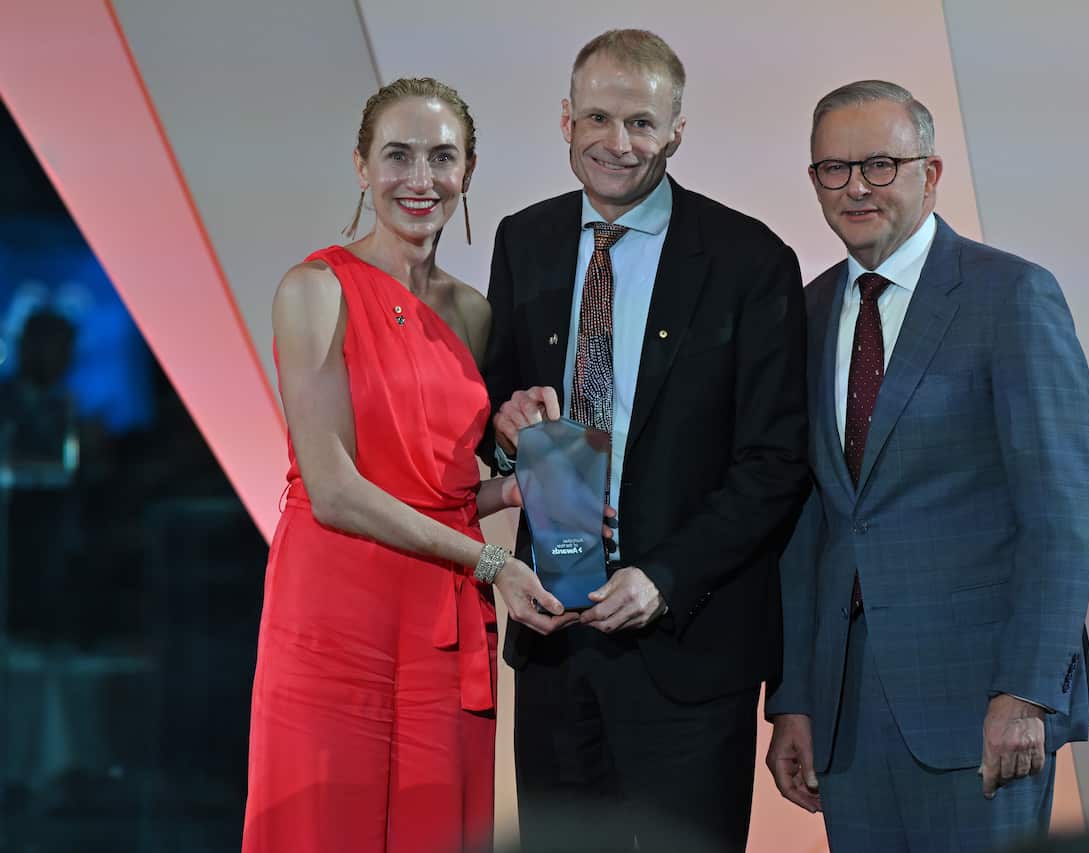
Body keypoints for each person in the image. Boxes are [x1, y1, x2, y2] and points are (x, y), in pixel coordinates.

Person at [482, 29, 809, 852]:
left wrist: (664, 577)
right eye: (597, 117)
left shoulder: (749, 259)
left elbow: (775, 463)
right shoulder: (524, 240)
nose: (616, 144)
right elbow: (496, 413)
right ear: (564, 120)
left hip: (689, 650)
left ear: (676, 132)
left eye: (640, 123)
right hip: (557, 642)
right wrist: (503, 425)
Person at [764, 80, 1089, 852]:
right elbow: (806, 523)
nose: (856, 186)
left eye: (880, 165)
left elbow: (1062, 513)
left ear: (933, 172)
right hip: (846, 712)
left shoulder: (1011, 295)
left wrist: (1024, 689)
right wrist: (794, 697)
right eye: (833, 169)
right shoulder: (808, 312)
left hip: (982, 700)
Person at [241, 77, 576, 853]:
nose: (419, 180)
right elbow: (334, 490)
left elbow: (441, 479)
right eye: (397, 156)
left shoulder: (473, 310)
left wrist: (519, 485)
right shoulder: (314, 289)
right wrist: (492, 558)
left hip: (442, 622)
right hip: (336, 612)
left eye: (441, 158)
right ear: (361, 165)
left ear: (469, 170)